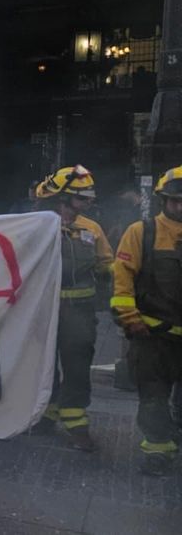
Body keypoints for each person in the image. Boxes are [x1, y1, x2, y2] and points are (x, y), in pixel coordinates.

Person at [27, 165, 113, 451]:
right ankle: (47, 412)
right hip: (44, 309)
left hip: (79, 311)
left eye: (88, 198)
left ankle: (76, 422)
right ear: (62, 198)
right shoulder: (37, 226)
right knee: (44, 364)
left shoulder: (91, 229)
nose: (87, 202)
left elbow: (106, 264)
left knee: (77, 365)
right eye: (81, 197)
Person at [110, 165, 182, 476]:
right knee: (153, 397)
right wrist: (130, 318)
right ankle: (158, 451)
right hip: (153, 337)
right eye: (175, 201)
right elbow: (122, 279)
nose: (180, 207)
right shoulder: (142, 233)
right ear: (163, 200)